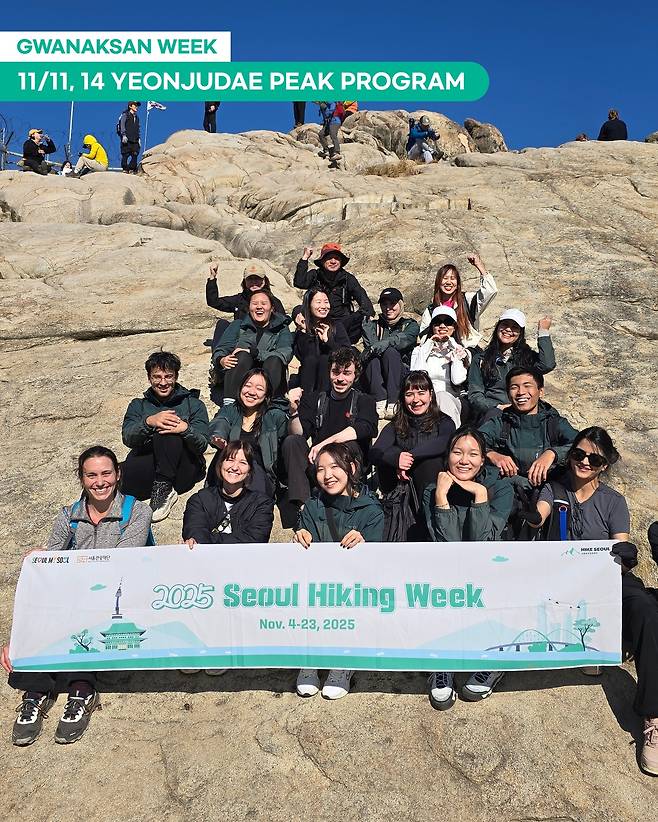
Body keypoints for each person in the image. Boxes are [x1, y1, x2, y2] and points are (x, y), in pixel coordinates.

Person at [526, 428, 658, 776]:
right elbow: (540, 512)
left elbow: (622, 547)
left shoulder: (614, 501)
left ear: (604, 465)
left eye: (594, 458)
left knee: (645, 608)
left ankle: (653, 715)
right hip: (561, 578)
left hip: (604, 576)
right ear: (571, 455)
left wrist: (627, 555)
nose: (584, 461)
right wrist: (530, 514)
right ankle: (592, 648)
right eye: (580, 454)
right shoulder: (554, 489)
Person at [1, 446, 152, 747]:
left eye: (106, 473)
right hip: (79, 591)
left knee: (86, 623)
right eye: (91, 475)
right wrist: (41, 560)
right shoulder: (69, 515)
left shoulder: (137, 511)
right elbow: (52, 561)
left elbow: (121, 562)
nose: (100, 481)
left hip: (121, 591)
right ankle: (36, 693)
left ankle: (81, 689)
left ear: (118, 474)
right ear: (82, 479)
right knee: (50, 611)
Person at [423, 428, 514, 708]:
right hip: (448, 574)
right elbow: (447, 546)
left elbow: (481, 546)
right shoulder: (433, 489)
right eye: (457, 452)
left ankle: (494, 662)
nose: (464, 460)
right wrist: (441, 497)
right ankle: (442, 662)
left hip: (489, 574)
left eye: (473, 454)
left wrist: (480, 495)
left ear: (484, 459)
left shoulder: (500, 489)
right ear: (447, 456)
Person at [294, 443, 384, 700]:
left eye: (335, 467)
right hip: (319, 585)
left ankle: (343, 663)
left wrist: (365, 541)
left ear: (351, 468)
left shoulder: (370, 510)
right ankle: (309, 658)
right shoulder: (312, 507)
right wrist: (300, 536)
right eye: (320, 469)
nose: (327, 475)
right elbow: (305, 557)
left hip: (353, 588)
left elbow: (375, 564)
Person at [121, 351, 210, 522]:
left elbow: (202, 444)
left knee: (167, 430)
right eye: (157, 377)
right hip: (150, 466)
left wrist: (184, 429)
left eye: (168, 376)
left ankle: (164, 490)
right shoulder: (138, 405)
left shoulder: (194, 404)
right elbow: (128, 438)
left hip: (183, 468)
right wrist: (149, 422)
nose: (163, 382)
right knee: (105, 474)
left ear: (176, 377)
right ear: (149, 378)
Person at [283, 347, 378, 505]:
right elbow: (298, 432)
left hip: (349, 466)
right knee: (292, 441)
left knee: (349, 443)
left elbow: (365, 428)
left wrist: (325, 444)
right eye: (336, 372)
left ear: (355, 376)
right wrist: (293, 412)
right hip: (319, 465)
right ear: (329, 372)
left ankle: (344, 500)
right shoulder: (316, 399)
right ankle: (304, 505)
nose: (340, 378)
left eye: (347, 373)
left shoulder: (364, 401)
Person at [370, 371, 455, 539]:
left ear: (431, 395)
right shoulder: (396, 425)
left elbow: (445, 441)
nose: (416, 400)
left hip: (434, 494)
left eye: (421, 393)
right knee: (386, 459)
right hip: (402, 494)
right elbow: (374, 452)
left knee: (428, 462)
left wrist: (408, 457)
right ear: (403, 398)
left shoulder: (444, 422)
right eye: (409, 394)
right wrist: (396, 459)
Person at [479, 367, 579, 493]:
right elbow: (471, 441)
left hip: (550, 490)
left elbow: (581, 444)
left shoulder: (554, 423)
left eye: (527, 386)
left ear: (540, 391)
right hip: (510, 490)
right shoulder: (500, 423)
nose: (521, 392)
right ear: (508, 394)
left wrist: (553, 453)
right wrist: (492, 455)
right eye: (514, 387)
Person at [207, 369, 289, 496]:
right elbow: (221, 421)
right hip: (230, 474)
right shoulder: (230, 410)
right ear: (240, 388)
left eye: (259, 389)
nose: (251, 392)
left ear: (266, 395)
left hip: (259, 479)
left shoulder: (275, 416)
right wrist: (219, 435)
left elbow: (286, 442)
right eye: (247, 385)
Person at [468, 309, 555, 424]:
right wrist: (498, 407)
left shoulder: (527, 358)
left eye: (515, 327)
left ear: (520, 333)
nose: (508, 330)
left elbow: (547, 365)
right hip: (494, 413)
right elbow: (475, 395)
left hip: (524, 409)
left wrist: (543, 331)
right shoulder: (481, 360)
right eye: (505, 324)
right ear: (498, 326)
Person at [183, 441, 275, 546]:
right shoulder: (200, 500)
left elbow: (255, 539)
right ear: (220, 464)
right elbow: (195, 534)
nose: (235, 467)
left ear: (249, 470)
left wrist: (209, 539)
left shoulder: (262, 504)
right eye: (230, 460)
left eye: (243, 462)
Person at [212, 290, 292, 402]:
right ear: (249, 308)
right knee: (242, 356)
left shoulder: (282, 328)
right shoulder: (238, 325)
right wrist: (221, 359)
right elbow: (222, 348)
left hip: (269, 373)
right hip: (243, 371)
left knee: (274, 360)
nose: (259, 307)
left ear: (272, 308)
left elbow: (285, 353)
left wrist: (255, 353)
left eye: (264, 304)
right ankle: (230, 405)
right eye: (254, 304)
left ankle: (271, 405)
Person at [293, 243, 374, 344]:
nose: (333, 261)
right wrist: (305, 257)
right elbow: (299, 282)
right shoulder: (315, 275)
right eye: (329, 258)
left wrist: (367, 313)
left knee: (362, 316)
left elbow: (362, 298)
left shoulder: (348, 278)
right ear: (322, 261)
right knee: (296, 311)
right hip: (319, 321)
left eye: (336, 258)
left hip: (343, 322)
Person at [362, 287, 420, 420]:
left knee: (390, 352)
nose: (388, 308)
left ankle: (394, 401)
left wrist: (380, 345)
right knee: (372, 357)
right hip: (375, 375)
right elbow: (370, 347)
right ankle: (379, 400)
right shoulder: (373, 325)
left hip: (399, 373)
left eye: (392, 304)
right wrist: (367, 326)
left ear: (400, 305)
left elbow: (401, 341)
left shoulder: (410, 325)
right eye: (384, 304)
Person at [419, 254, 497, 349]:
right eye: (445, 278)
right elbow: (423, 336)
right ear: (438, 282)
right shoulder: (431, 309)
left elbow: (490, 291)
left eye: (452, 278)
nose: (449, 282)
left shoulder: (467, 301)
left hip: (467, 350)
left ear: (457, 284)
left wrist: (480, 266)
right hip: (440, 351)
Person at [410, 306, 471, 427]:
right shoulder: (419, 351)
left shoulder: (463, 352)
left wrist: (453, 346)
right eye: (437, 323)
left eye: (448, 322)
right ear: (432, 327)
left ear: (454, 327)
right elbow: (417, 377)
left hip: (451, 401)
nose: (442, 326)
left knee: (442, 396)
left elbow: (458, 379)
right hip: (425, 400)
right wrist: (428, 345)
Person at [206, 262, 286, 351]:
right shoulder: (239, 299)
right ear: (245, 281)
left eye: (257, 279)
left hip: (263, 341)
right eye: (250, 279)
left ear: (264, 281)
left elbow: (282, 323)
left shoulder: (273, 301)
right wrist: (212, 277)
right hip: (240, 339)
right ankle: (218, 358)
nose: (254, 282)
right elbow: (214, 302)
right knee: (222, 324)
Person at [293, 287, 350, 393]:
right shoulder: (303, 329)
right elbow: (302, 356)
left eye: (326, 302)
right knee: (311, 360)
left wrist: (328, 341)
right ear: (309, 305)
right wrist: (304, 332)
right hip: (309, 381)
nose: (323, 306)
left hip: (331, 379)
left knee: (325, 359)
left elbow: (347, 353)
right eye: (318, 302)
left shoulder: (336, 325)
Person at [118, 101, 141, 174]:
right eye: (135, 105)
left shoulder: (136, 117)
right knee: (125, 154)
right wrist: (123, 135)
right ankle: (125, 169)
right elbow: (122, 125)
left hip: (135, 139)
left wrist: (139, 138)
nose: (136, 107)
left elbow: (138, 128)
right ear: (130, 106)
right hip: (127, 138)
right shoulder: (125, 115)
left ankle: (131, 168)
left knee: (135, 154)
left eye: (137, 105)